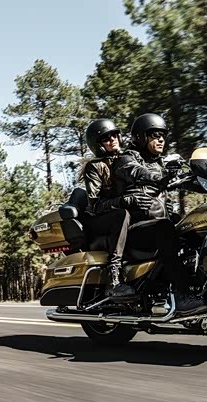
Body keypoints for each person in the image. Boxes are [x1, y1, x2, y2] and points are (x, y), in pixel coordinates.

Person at [112, 113, 207, 316]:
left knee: (200, 226)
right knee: (164, 227)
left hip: (159, 226)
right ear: (140, 137)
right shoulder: (125, 159)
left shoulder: (161, 163)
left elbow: (186, 179)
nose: (161, 139)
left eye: (163, 135)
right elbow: (137, 172)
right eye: (155, 135)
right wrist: (162, 175)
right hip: (136, 230)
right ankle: (182, 295)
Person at [81, 119, 150, 299]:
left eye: (114, 135)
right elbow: (95, 205)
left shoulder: (127, 159)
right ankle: (113, 279)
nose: (112, 139)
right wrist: (125, 200)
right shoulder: (95, 167)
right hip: (97, 218)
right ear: (97, 144)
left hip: (120, 216)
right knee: (121, 215)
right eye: (106, 138)